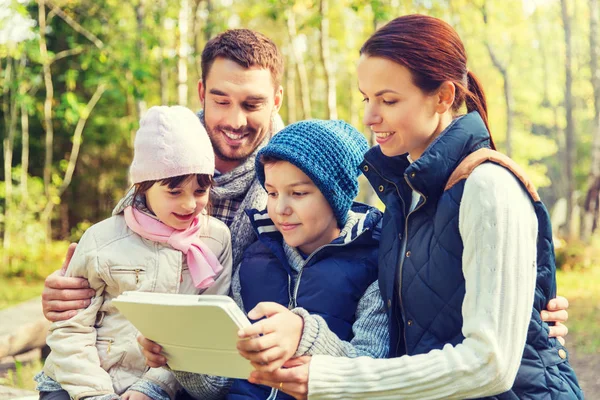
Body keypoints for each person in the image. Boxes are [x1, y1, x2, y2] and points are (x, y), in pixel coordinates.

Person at [40, 26, 571, 398]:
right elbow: (113, 261)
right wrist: (164, 347)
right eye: (220, 100)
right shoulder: (164, 175)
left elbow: (435, 329)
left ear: (276, 102)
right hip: (134, 378)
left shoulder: (401, 192)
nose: (232, 119)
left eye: (251, 104)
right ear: (201, 94)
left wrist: (527, 310)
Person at [247, 15, 584, 399]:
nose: (370, 117)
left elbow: (491, 364)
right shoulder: (403, 195)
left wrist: (334, 380)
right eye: (367, 98)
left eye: (388, 100)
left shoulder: (488, 187)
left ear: (442, 97)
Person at [35, 105, 232, 400]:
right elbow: (71, 329)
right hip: (78, 382)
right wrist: (96, 394)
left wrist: (151, 387)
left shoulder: (215, 240)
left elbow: (201, 331)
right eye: (174, 192)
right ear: (143, 186)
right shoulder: (102, 240)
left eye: (200, 191)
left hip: (156, 388)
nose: (190, 205)